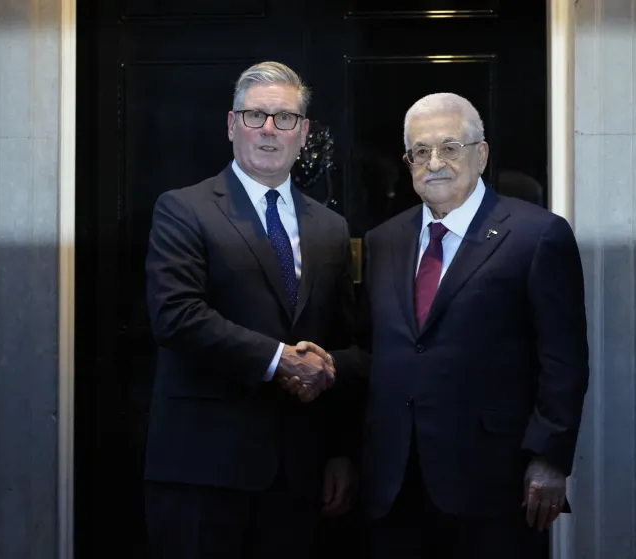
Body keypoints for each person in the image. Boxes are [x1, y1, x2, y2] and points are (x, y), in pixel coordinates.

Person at [351, 92, 590, 558]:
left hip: (494, 482)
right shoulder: (384, 240)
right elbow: (371, 349)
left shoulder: (538, 235)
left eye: (449, 147)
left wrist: (549, 458)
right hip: (394, 481)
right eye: (421, 151)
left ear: (480, 154)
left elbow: (564, 359)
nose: (434, 161)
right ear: (408, 161)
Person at [142, 61, 360, 559]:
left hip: (298, 472)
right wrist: (282, 359)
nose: (268, 129)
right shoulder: (183, 208)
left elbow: (343, 341)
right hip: (202, 468)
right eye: (255, 115)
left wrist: (341, 451)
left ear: (302, 133)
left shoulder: (329, 227)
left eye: (284, 118)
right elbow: (176, 316)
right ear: (231, 124)